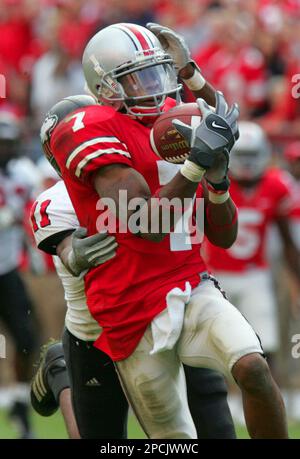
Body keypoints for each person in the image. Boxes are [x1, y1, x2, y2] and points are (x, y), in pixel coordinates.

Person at [42, 23, 287, 439]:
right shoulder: (89, 128)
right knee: (174, 441)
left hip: (191, 284)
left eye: (158, 72)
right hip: (130, 311)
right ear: (105, 88)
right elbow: (145, 224)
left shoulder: (171, 123)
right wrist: (195, 165)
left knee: (253, 366)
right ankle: (57, 372)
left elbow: (225, 127)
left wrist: (192, 76)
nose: (155, 87)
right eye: (138, 77)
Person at [31, 99, 236, 438]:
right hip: (95, 333)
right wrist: (74, 254)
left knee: (214, 425)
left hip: (162, 313)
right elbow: (66, 247)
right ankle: (60, 375)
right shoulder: (53, 201)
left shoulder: (142, 175)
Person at [204, 122, 300, 366]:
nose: (247, 163)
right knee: (214, 350)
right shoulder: (213, 182)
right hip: (213, 275)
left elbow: (288, 240)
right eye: (242, 156)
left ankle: (268, 399)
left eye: (252, 155)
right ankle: (227, 402)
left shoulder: (277, 184)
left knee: (265, 346)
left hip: (255, 274)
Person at [0, 111, 39, 438]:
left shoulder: (24, 173)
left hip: (8, 268)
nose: (4, 150)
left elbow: (36, 209)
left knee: (26, 339)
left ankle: (18, 403)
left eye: (8, 144)